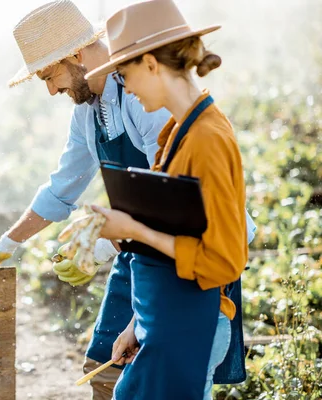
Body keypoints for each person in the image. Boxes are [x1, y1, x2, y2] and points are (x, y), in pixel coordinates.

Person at [0, 1, 171, 398]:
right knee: (103, 373)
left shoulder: (144, 96)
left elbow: (173, 192)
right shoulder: (88, 112)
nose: (52, 89)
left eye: (49, 76)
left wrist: (106, 244)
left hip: (179, 249)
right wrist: (8, 243)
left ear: (74, 54)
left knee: (155, 377)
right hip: (137, 252)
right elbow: (61, 189)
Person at [84, 1, 251, 399]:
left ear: (151, 64)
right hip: (164, 326)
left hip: (190, 332)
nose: (128, 87)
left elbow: (226, 260)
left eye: (125, 74)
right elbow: (176, 233)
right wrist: (135, 326)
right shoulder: (178, 132)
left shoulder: (207, 139)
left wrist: (133, 228)